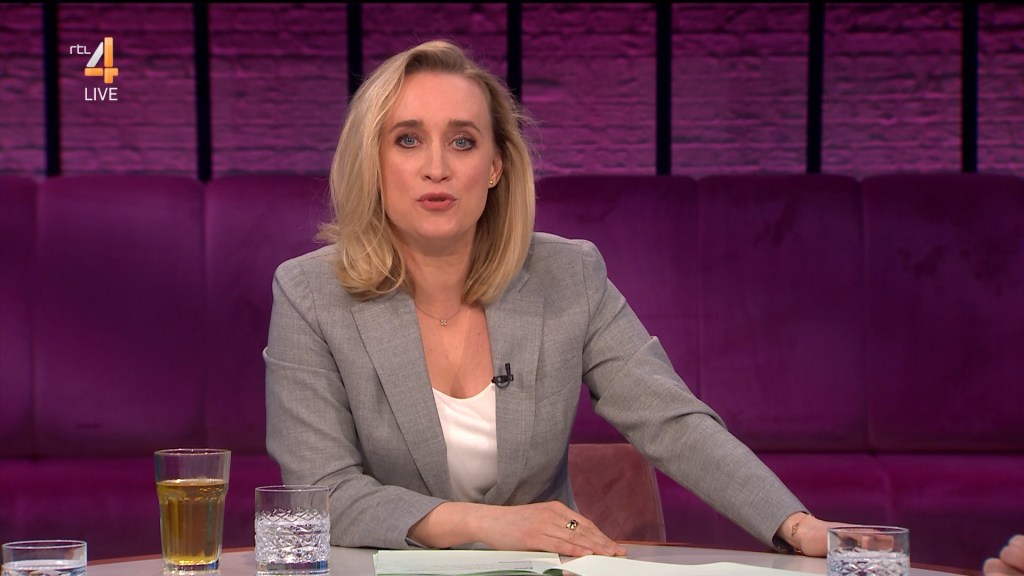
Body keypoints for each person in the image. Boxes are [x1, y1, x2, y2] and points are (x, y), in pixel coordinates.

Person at [264, 38, 844, 558]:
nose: (436, 168)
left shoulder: (568, 275)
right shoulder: (311, 295)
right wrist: (486, 524)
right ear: (373, 161)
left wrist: (795, 525)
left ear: (495, 167)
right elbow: (323, 492)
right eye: (408, 140)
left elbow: (670, 422)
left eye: (462, 142)